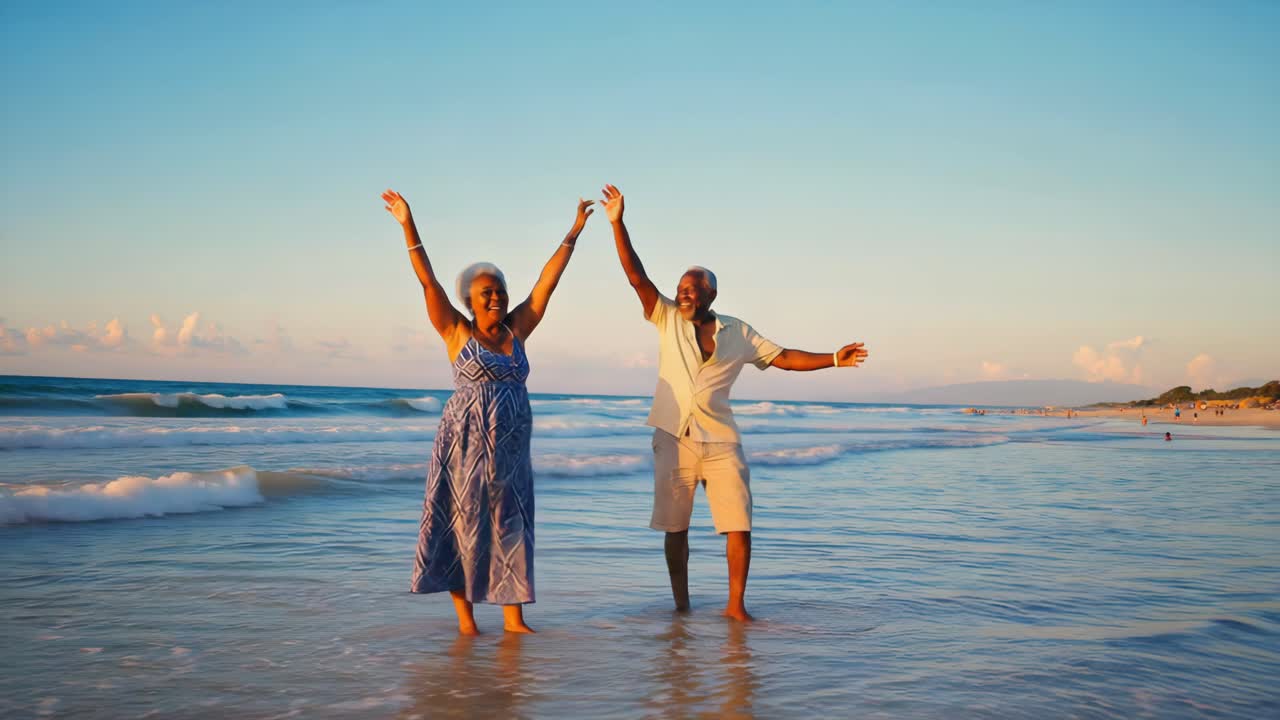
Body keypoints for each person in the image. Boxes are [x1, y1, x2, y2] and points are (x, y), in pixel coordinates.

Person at [600, 183, 869, 622]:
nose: (683, 293)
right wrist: (618, 223)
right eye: (681, 288)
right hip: (673, 436)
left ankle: (735, 608)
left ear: (711, 295)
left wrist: (833, 360)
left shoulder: (737, 332)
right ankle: (681, 604)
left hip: (721, 438)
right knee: (675, 529)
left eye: (692, 288)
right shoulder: (666, 317)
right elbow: (636, 276)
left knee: (738, 522)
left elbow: (782, 358)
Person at [383, 189, 594, 634]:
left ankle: (514, 621)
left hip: (512, 451)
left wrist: (573, 232)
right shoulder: (456, 331)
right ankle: (467, 623)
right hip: (464, 446)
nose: (496, 297)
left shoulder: (518, 329)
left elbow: (546, 284)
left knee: (511, 526)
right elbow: (428, 282)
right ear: (470, 301)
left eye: (499, 291)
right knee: (463, 525)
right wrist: (408, 224)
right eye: (486, 293)